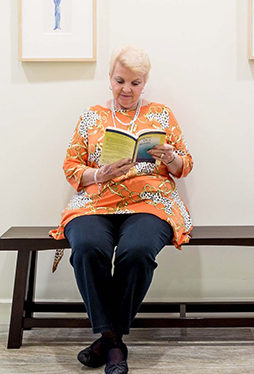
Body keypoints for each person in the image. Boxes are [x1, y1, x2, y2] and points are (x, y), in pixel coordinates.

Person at [50, 45, 194, 374]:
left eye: (135, 83)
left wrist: (169, 157)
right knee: (87, 247)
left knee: (139, 250)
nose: (126, 90)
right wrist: (98, 173)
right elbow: (71, 165)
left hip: (149, 201)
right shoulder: (91, 117)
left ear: (145, 83)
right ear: (110, 79)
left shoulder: (161, 115)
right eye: (120, 81)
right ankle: (113, 341)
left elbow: (185, 165)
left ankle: (108, 340)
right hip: (96, 200)